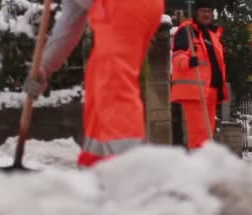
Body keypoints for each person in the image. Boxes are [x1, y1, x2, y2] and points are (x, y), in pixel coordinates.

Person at [23, 0, 164, 167]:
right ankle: (95, 165)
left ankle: (129, 168)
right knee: (98, 78)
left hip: (126, 6)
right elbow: (69, 23)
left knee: (113, 84)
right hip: (133, 8)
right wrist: (44, 67)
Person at [171, 0, 229, 149]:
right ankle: (198, 165)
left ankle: (205, 163)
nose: (206, 14)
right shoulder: (187, 31)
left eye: (209, 11)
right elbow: (177, 55)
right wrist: (188, 61)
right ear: (196, 13)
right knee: (199, 133)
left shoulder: (213, 35)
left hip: (212, 90)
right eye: (203, 11)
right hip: (195, 90)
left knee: (208, 132)